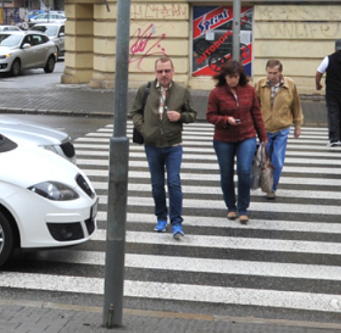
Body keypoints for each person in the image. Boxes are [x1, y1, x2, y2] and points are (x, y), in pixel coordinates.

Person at [129, 56, 197, 239]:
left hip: (173, 144)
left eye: (167, 70)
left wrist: (181, 117)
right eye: (160, 71)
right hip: (152, 145)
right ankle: (161, 217)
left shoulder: (182, 91)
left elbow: (193, 114)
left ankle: (176, 222)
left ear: (173, 71)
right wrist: (144, 130)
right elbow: (134, 112)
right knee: (157, 185)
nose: (164, 74)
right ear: (155, 72)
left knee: (174, 183)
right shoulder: (145, 90)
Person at [207, 59, 267, 224]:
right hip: (223, 139)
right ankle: (231, 207)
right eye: (229, 76)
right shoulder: (216, 93)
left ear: (240, 76)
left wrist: (263, 137)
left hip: (246, 136)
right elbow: (210, 116)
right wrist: (226, 120)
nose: (232, 80)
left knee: (244, 171)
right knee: (226, 174)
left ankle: (243, 208)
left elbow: (256, 113)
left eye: (235, 76)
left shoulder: (248, 90)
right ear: (224, 76)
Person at [253, 59, 303, 200]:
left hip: (282, 128)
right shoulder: (260, 85)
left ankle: (272, 188)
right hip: (265, 129)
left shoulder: (290, 85)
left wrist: (297, 125)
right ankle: (267, 185)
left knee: (278, 160)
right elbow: (254, 106)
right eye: (269, 73)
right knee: (266, 161)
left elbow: (296, 106)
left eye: (275, 73)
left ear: (281, 72)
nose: (272, 76)